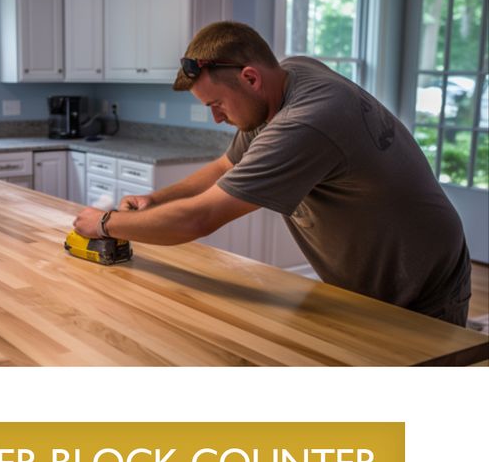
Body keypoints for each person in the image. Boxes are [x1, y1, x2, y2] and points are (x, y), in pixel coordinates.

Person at [73, 21, 471, 325]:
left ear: (250, 78)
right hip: (366, 283)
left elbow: (200, 219)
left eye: (217, 104)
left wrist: (106, 224)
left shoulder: (306, 122)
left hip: (422, 283)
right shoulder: (287, 75)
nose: (216, 118)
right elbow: (227, 165)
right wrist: (155, 200)